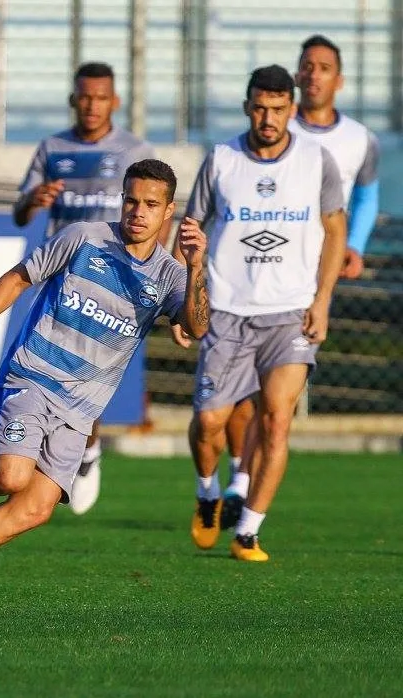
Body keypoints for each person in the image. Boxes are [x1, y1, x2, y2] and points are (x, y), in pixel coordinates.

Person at [0, 159, 207, 603]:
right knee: (12, 477)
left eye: (150, 204)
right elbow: (17, 280)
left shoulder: (170, 276)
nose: (137, 212)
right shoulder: (83, 238)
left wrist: (196, 264)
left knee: (33, 509)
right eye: (130, 200)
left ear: (169, 212)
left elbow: (198, 326)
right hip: (33, 378)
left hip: (81, 410)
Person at [198, 35, 382, 528]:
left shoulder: (355, 141)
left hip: (299, 291)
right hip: (235, 299)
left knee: (277, 411)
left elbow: (357, 205)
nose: (315, 73)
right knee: (231, 409)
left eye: (325, 67)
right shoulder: (233, 153)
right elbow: (199, 222)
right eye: (308, 65)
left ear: (337, 79)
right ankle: (234, 479)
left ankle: (247, 523)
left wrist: (351, 252)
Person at [182, 65, 346, 561]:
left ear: (292, 110)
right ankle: (208, 491)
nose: (268, 117)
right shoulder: (222, 159)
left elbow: (334, 232)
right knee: (210, 421)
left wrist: (322, 301)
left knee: (276, 420)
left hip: (291, 314)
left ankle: (248, 531)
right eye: (260, 107)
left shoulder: (317, 161)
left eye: (278, 109)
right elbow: (189, 229)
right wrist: (181, 302)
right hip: (227, 312)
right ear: (247, 107)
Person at [12, 61, 156, 515]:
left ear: (114, 101)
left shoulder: (134, 150)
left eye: (101, 97)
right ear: (73, 100)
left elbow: (154, 216)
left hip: (110, 285)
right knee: (46, 373)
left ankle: (86, 452)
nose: (92, 105)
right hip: (58, 283)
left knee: (85, 379)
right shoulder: (53, 148)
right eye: (84, 97)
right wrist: (33, 200)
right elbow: (20, 212)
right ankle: (67, 455)